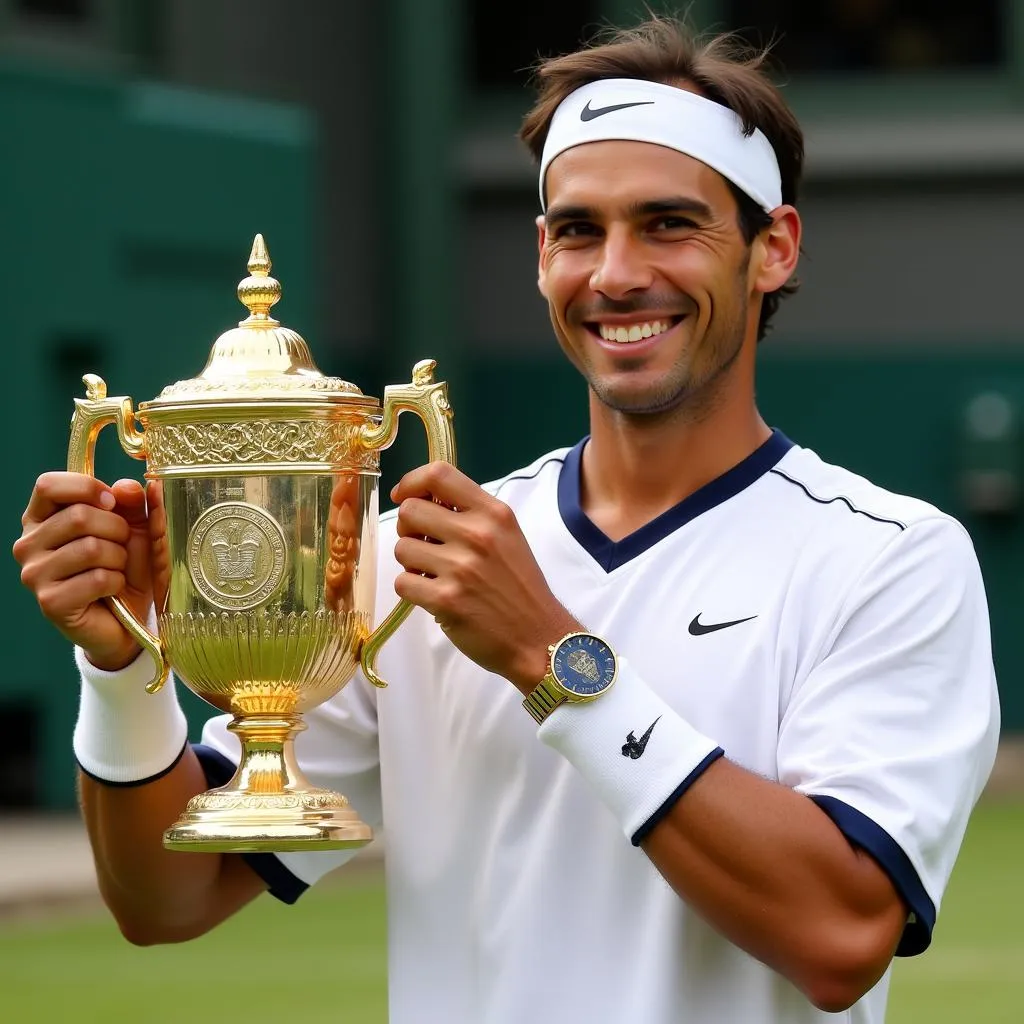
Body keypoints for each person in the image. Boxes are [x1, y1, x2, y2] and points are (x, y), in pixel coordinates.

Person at [13, 16, 1000, 1024]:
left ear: (771, 249)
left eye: (668, 223)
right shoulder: (411, 562)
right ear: (540, 255)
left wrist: (549, 655)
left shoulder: (889, 557)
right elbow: (164, 899)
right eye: (579, 229)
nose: (615, 273)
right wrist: (124, 666)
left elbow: (840, 934)